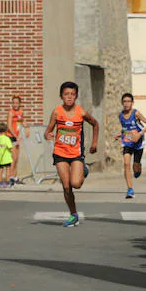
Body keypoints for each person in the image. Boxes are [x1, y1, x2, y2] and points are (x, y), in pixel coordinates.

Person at [44, 82, 99, 227]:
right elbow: (48, 129)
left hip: (76, 153)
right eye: (66, 94)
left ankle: (83, 170)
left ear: (76, 96)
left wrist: (94, 143)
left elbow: (95, 124)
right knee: (67, 186)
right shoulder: (57, 112)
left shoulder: (81, 112)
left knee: (76, 184)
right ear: (61, 96)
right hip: (60, 153)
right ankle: (73, 214)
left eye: (72, 94)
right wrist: (47, 135)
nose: (69, 97)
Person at [116, 93, 146, 199]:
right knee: (126, 163)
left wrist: (139, 134)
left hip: (138, 143)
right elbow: (125, 128)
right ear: (122, 103)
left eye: (129, 101)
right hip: (127, 142)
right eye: (124, 101)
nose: (126, 104)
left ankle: (138, 168)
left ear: (132, 103)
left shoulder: (136, 113)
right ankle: (130, 189)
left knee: (135, 168)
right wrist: (121, 133)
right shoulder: (121, 115)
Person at [7, 96, 26, 186]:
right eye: (13, 103)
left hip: (17, 137)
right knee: (13, 158)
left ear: (19, 104)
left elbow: (20, 122)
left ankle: (15, 177)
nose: (15, 104)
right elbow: (9, 127)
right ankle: (10, 178)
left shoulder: (20, 112)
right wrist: (16, 136)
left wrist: (26, 128)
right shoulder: (11, 113)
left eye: (17, 103)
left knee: (17, 158)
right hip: (11, 137)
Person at [0, 123, 13, 188]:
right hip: (7, 157)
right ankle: (7, 182)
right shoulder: (7, 138)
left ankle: (0, 182)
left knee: (0, 169)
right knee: (8, 170)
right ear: (6, 130)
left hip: (0, 157)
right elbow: (10, 147)